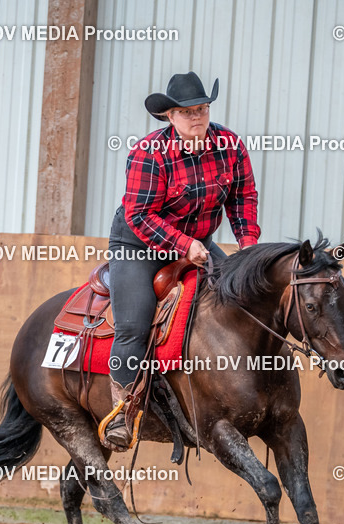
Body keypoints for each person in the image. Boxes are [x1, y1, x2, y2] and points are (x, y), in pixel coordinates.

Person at [102, 71, 261, 451]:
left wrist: (249, 247)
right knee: (134, 325)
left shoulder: (230, 146)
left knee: (240, 300)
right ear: (168, 117)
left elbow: (243, 197)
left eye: (202, 109)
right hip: (138, 245)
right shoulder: (148, 153)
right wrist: (183, 244)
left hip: (198, 242)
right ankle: (122, 413)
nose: (197, 117)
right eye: (188, 112)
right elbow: (139, 215)